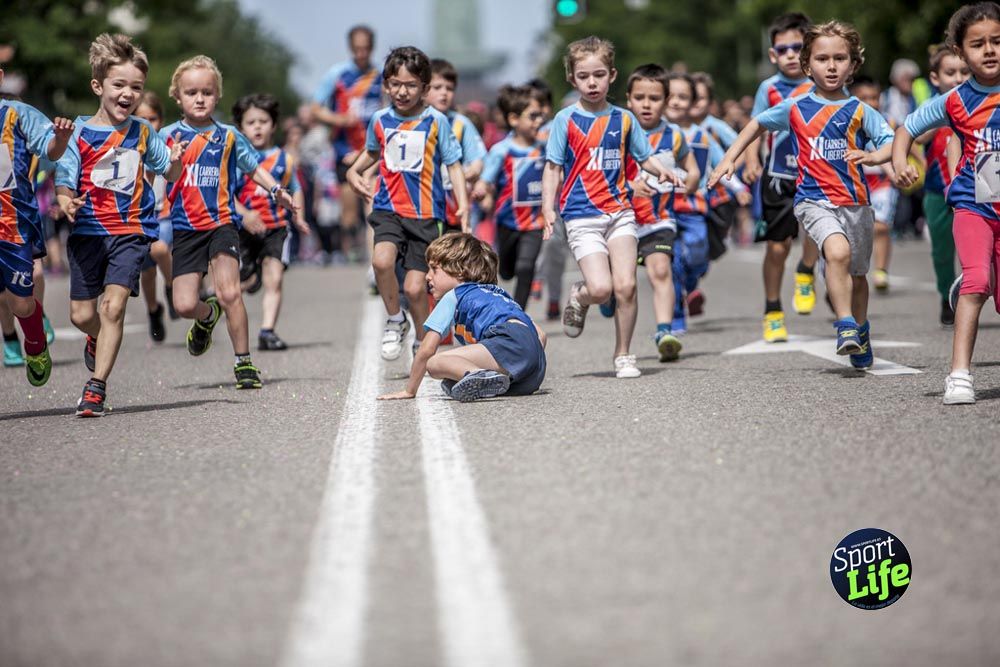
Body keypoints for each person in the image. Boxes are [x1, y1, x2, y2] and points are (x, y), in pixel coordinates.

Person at [711, 20, 893, 370]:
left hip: (855, 202)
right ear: (808, 66)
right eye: (822, 59)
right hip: (813, 200)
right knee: (835, 252)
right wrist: (729, 160)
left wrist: (875, 157)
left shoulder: (860, 110)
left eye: (840, 58)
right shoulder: (795, 107)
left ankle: (861, 327)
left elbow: (889, 142)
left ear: (853, 65)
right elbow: (756, 124)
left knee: (858, 276)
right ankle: (844, 326)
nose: (831, 65)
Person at [55, 34, 184, 415]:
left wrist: (175, 161)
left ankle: (96, 387)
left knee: (113, 309)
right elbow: (64, 177)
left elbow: (170, 171)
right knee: (83, 315)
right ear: (98, 86)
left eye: (136, 87)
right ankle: (97, 338)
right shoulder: (78, 131)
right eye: (119, 85)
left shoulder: (144, 132)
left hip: (129, 232)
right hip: (87, 233)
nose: (128, 94)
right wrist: (65, 200)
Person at [541, 36, 681, 379]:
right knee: (601, 289)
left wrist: (662, 170)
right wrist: (547, 209)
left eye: (599, 75)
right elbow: (553, 168)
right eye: (584, 76)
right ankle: (580, 295)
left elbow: (643, 157)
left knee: (626, 286)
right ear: (573, 79)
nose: (592, 83)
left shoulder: (625, 119)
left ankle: (624, 355)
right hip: (581, 216)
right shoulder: (565, 120)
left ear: (612, 75)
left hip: (620, 213)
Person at [161, 55, 297, 389]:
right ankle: (206, 318)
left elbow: (254, 167)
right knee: (184, 304)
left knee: (230, 293)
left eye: (207, 92)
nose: (199, 98)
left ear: (217, 95)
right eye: (191, 92)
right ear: (177, 95)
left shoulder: (229, 136)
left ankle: (244, 362)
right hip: (185, 228)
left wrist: (277, 189)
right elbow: (167, 175)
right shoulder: (167, 135)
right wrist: (174, 161)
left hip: (222, 223)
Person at [894, 2, 1000, 404]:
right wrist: (900, 159)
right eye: (978, 44)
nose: (989, 50)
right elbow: (908, 127)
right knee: (977, 282)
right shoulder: (955, 100)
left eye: (997, 41)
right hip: (974, 206)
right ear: (960, 51)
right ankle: (959, 375)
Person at [346, 46, 468, 361]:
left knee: (416, 289)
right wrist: (353, 171)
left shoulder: (436, 121)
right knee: (382, 262)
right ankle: (394, 319)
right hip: (388, 208)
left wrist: (463, 204)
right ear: (386, 85)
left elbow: (454, 164)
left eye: (411, 85)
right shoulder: (380, 119)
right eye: (396, 84)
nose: (402, 91)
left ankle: (419, 336)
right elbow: (373, 152)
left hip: (427, 215)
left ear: (424, 89)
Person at [378, 233, 546, 402]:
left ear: (459, 272)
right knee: (450, 382)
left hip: (507, 339)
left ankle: (476, 374)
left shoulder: (454, 295)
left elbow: (426, 350)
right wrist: (528, 356)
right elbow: (540, 335)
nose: (428, 276)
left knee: (435, 363)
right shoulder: (499, 294)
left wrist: (409, 390)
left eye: (434, 269)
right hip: (533, 370)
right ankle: (487, 377)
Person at [744, 12, 821, 343]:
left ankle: (806, 270)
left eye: (797, 47)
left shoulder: (822, 83)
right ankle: (772, 310)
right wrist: (750, 160)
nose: (791, 54)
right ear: (773, 54)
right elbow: (755, 127)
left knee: (818, 232)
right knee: (777, 248)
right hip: (778, 174)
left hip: (816, 173)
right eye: (783, 49)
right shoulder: (769, 88)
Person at [0, 69, 73, 386]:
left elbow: (51, 150)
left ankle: (34, 344)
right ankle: (11, 341)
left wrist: (60, 140)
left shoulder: (18, 114)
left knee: (20, 303)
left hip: (12, 223)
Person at [625, 64, 700, 361]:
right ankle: (605, 299)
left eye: (654, 98)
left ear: (666, 100)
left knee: (660, 270)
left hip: (660, 219)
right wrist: (631, 185)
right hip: (623, 220)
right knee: (620, 284)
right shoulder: (620, 131)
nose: (646, 104)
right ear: (628, 99)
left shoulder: (675, 135)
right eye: (639, 97)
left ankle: (664, 331)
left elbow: (692, 169)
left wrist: (689, 182)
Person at [666, 72, 746, 331]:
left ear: (693, 102)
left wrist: (738, 187)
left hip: (695, 208)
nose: (676, 102)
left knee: (699, 252)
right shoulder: (657, 133)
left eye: (683, 97)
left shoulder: (701, 135)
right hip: (665, 210)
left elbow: (720, 165)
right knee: (674, 261)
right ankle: (677, 314)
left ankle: (692, 282)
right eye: (670, 96)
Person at [232, 93, 310, 351]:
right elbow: (224, 194)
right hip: (243, 229)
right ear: (241, 127)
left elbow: (295, 187)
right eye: (250, 122)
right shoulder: (236, 159)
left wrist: (298, 215)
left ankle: (267, 331)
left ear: (273, 125)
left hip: (276, 228)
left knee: (274, 277)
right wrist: (244, 214)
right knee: (243, 281)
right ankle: (219, 295)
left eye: (263, 121)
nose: (257, 127)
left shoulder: (284, 159)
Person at [311, 25, 381, 261]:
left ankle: (374, 263)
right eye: (357, 48)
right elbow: (314, 109)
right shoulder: (337, 74)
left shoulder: (379, 76)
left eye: (366, 48)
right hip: (343, 149)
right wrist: (339, 119)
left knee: (371, 201)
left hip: (371, 150)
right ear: (351, 48)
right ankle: (352, 238)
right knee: (349, 214)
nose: (362, 53)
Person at [472, 85, 546, 309]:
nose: (538, 121)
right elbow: (486, 179)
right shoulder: (501, 150)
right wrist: (482, 190)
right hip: (507, 222)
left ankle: (518, 314)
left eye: (540, 116)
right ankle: (506, 269)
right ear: (514, 119)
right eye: (532, 116)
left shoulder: (545, 148)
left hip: (535, 222)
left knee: (526, 266)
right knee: (506, 270)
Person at [917, 43, 969, 326]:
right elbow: (916, 137)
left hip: (976, 190)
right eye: (950, 72)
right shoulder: (931, 108)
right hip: (938, 190)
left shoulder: (976, 104)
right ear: (935, 78)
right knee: (942, 249)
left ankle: (975, 291)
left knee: (979, 246)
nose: (958, 78)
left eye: (964, 71)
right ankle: (946, 295)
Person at [851, 75, 900, 292]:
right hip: (854, 183)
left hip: (882, 182)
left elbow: (905, 143)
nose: (871, 103)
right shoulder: (847, 123)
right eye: (864, 98)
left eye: (874, 97)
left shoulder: (887, 121)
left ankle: (881, 270)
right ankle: (842, 276)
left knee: (881, 227)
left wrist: (914, 162)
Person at [134, 90, 176, 341]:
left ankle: (172, 287)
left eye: (154, 119)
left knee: (159, 249)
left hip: (165, 214)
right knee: (147, 273)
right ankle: (153, 310)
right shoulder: (131, 144)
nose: (149, 124)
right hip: (140, 216)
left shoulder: (168, 143)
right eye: (143, 119)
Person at [426, 59, 487, 230]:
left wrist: (467, 174)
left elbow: (478, 160)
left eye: (449, 88)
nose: (444, 93)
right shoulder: (416, 122)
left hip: (455, 204)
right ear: (424, 89)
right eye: (437, 87)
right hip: (423, 203)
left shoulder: (461, 124)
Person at [527, 78, 567, 321]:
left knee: (554, 250)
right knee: (533, 248)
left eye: (541, 105)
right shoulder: (520, 134)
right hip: (528, 203)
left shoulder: (556, 129)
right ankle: (536, 278)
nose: (537, 111)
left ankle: (554, 298)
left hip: (556, 201)